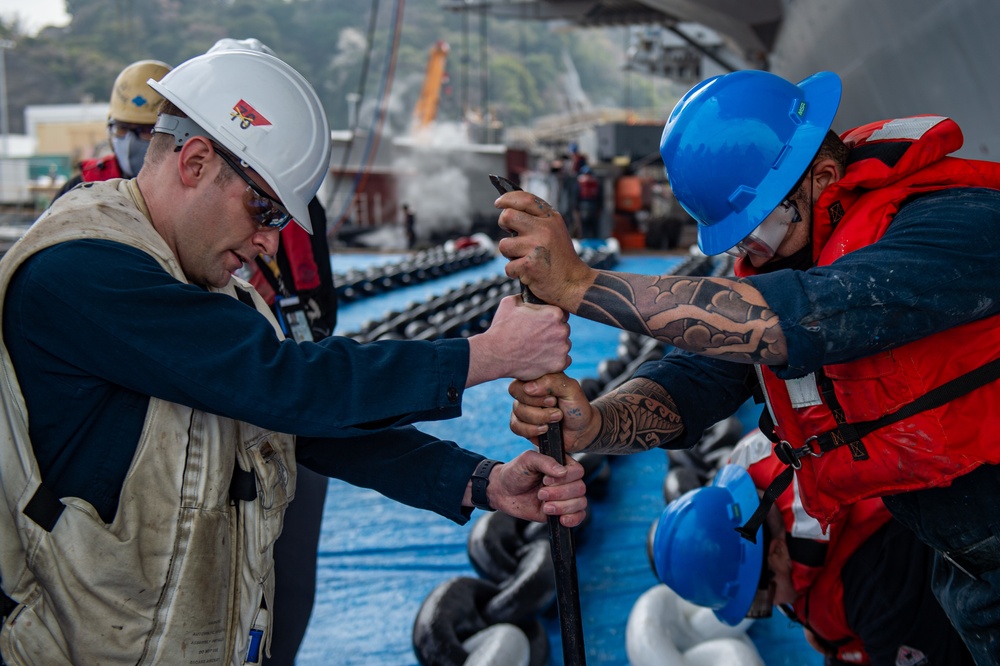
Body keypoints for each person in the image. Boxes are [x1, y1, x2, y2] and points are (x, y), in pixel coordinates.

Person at [0, 49, 586, 665]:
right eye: (265, 209)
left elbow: (295, 426)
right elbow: (284, 384)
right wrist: (485, 355)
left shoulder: (208, 290)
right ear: (196, 162)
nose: (270, 241)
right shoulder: (82, 271)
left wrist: (480, 481)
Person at [499, 69, 1000, 664]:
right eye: (737, 242)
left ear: (823, 176)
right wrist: (596, 423)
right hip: (963, 553)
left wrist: (584, 287)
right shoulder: (790, 254)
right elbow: (700, 374)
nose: (751, 254)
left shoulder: (958, 224)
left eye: (758, 229)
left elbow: (814, 314)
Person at [205, 37, 340, 666]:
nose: (266, 235)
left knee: (288, 569)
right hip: (231, 407)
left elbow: (323, 310)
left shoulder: (299, 207)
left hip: (284, 400)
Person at [653, 431, 974, 665]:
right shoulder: (762, 506)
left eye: (763, 599)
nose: (773, 607)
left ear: (777, 552)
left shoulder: (877, 582)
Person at [53, 59, 172, 200]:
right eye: (122, 128)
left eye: (146, 130)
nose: (129, 141)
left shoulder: (190, 191)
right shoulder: (83, 187)